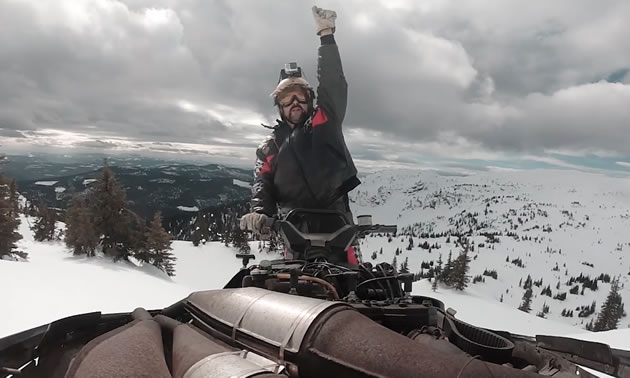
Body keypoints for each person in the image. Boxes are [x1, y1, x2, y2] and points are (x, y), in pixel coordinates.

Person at [239, 6, 360, 262]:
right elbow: (262, 184)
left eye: (300, 96)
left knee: (353, 283)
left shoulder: (324, 124)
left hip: (339, 226)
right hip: (294, 229)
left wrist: (326, 36)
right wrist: (259, 212)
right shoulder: (269, 147)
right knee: (293, 288)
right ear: (279, 106)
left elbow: (334, 85)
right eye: (286, 98)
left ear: (310, 99)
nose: (294, 102)